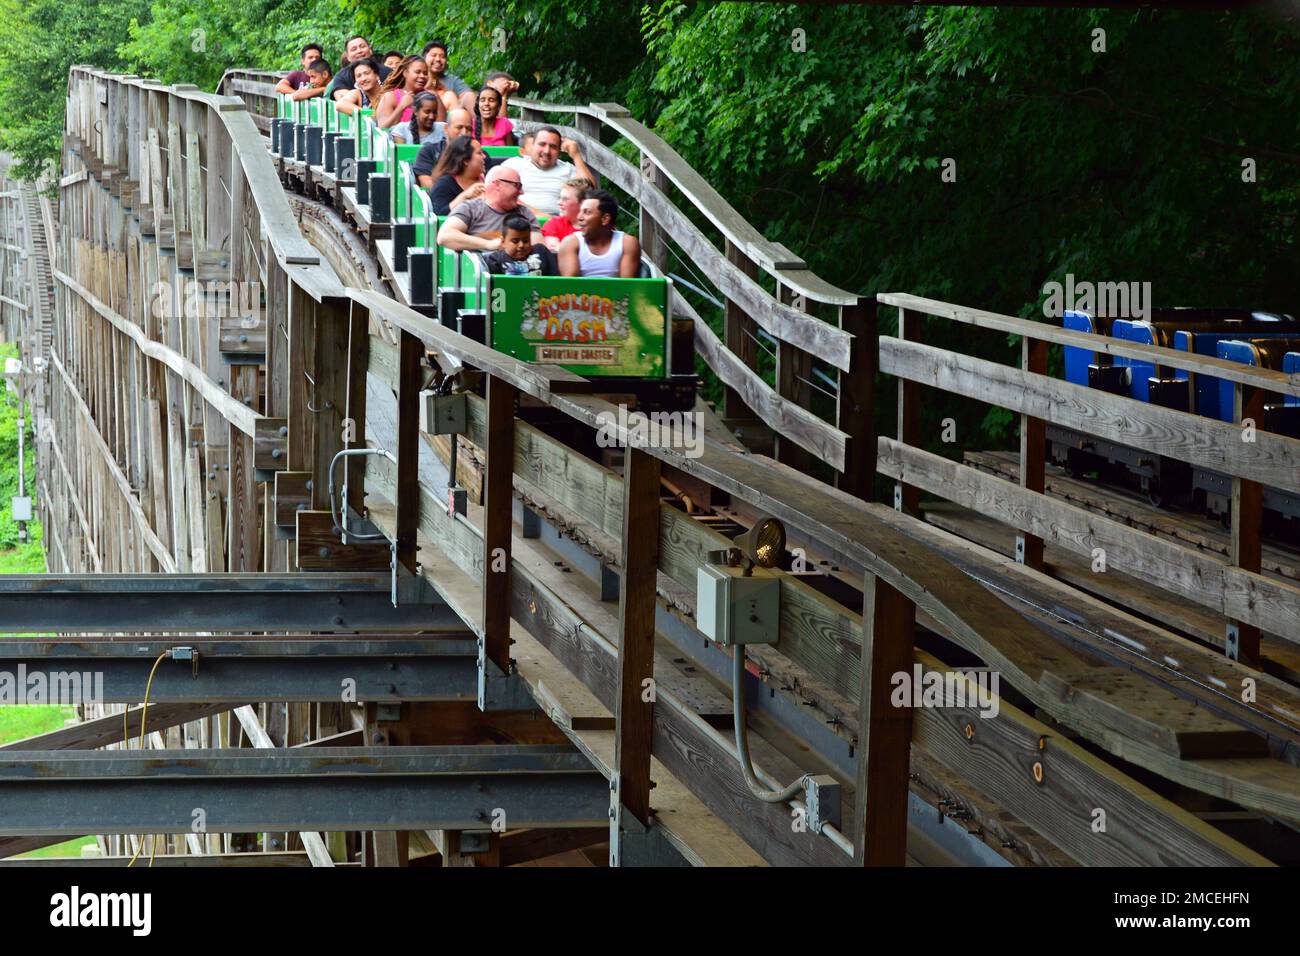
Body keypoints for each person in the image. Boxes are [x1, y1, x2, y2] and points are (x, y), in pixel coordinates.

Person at [437, 165, 543, 251]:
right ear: (498, 184)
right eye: (517, 185)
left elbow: (537, 251)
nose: (521, 192)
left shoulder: (525, 214)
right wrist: (488, 244)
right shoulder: (470, 208)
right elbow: (444, 236)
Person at [501, 127, 598, 217]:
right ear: (533, 145)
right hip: (518, 219)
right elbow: (499, 194)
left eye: (553, 147)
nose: (547, 151)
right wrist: (542, 216)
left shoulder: (567, 169)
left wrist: (576, 156)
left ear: (559, 152)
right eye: (542, 144)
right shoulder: (514, 164)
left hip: (558, 225)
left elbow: (591, 192)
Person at [558, 189, 641, 278]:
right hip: (580, 292)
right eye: (580, 211)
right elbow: (570, 286)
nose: (579, 217)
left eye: (587, 212)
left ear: (605, 219)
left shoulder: (627, 243)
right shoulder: (570, 243)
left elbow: (626, 287)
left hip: (615, 291)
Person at [426, 136, 487, 215]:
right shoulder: (444, 185)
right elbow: (440, 216)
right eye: (479, 153)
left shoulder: (490, 178)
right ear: (465, 160)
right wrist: (464, 197)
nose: (484, 156)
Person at [413, 108, 472, 187]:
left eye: (469, 129)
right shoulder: (429, 152)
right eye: (459, 127)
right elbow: (428, 186)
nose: (464, 133)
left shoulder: (477, 154)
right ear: (446, 128)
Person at [482, 215, 558, 276]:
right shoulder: (495, 260)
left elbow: (555, 279)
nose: (521, 245)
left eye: (526, 241)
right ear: (503, 241)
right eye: (515, 241)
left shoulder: (542, 252)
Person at [374, 56, 430, 129]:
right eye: (417, 72)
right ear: (405, 73)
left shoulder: (431, 96)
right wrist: (401, 106)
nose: (422, 76)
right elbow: (382, 129)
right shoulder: (390, 97)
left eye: (425, 73)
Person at [326, 36, 392, 97]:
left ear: (370, 50)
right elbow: (342, 99)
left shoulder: (388, 72)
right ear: (347, 56)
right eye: (354, 49)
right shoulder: (341, 77)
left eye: (362, 46)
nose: (359, 51)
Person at [422, 41, 476, 114]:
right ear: (424, 58)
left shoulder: (453, 80)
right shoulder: (419, 78)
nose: (438, 59)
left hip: (452, 115)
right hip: (424, 114)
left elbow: (466, 95)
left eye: (442, 56)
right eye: (434, 55)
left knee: (469, 95)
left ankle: (478, 124)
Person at [542, 178, 590, 252]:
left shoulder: (594, 227)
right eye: (560, 198)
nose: (559, 202)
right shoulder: (554, 223)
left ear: (582, 203)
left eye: (565, 199)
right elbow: (552, 247)